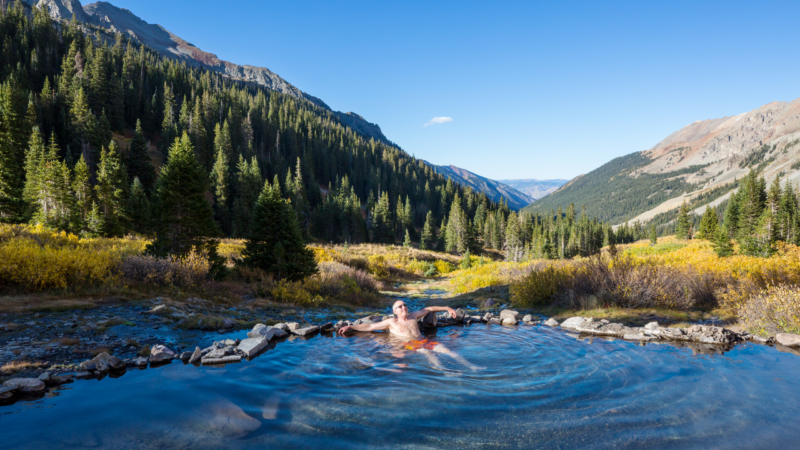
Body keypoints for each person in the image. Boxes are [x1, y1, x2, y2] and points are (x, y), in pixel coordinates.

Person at [338, 300, 480, 371]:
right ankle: (446, 371)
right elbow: (369, 326)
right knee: (428, 353)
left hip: (422, 339)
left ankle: (471, 366)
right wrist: (350, 326)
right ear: (395, 311)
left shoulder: (413, 316)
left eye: (404, 305)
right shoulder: (391, 322)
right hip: (409, 344)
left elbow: (429, 309)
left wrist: (448, 308)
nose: (403, 307)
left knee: (448, 351)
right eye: (400, 306)